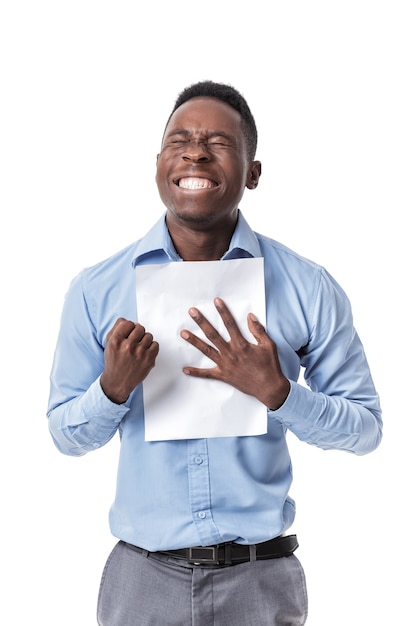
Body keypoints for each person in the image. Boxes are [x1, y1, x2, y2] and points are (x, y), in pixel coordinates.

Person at [47, 80, 382, 626]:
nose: (195, 152)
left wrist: (278, 392)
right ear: (159, 164)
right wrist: (111, 391)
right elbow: (64, 435)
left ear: (253, 173)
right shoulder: (96, 290)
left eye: (218, 142)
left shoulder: (308, 287)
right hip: (141, 582)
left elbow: (366, 429)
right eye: (179, 140)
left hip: (260, 580)